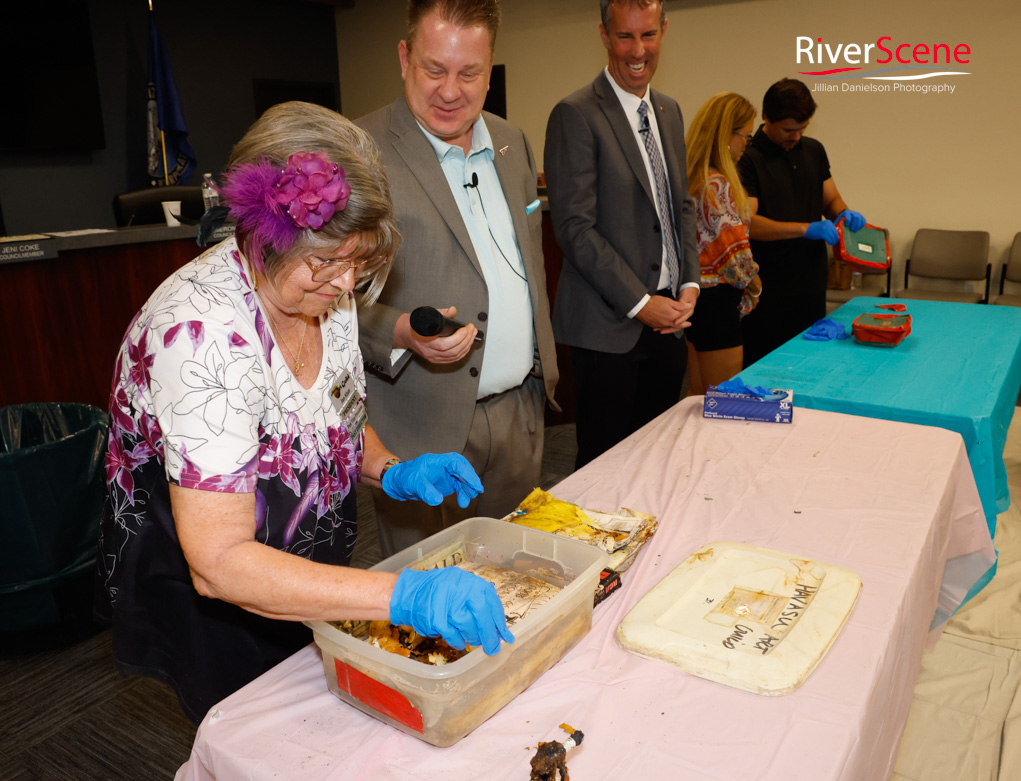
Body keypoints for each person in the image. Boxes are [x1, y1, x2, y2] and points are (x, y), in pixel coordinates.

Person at [95, 102, 514, 724]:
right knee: (257, 732)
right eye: (328, 261)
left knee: (319, 712)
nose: (347, 284)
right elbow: (221, 562)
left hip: (296, 550)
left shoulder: (324, 289)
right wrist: (402, 595)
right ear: (263, 237)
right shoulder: (201, 333)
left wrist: (389, 469)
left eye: (361, 262)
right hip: (215, 586)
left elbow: (329, 412)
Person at [355, 0, 558, 556]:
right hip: (421, 429)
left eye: (469, 73)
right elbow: (319, 302)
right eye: (434, 69)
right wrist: (399, 331)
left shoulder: (512, 143)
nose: (451, 91)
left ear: (490, 68)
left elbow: (529, 266)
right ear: (404, 58)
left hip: (521, 412)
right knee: (432, 603)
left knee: (521, 575)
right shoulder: (358, 152)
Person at [544, 0, 699, 470]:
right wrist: (640, 302)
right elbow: (574, 227)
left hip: (670, 321)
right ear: (605, 35)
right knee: (605, 468)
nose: (638, 50)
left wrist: (689, 282)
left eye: (648, 35)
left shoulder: (669, 111)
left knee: (656, 460)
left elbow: (681, 207)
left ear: (664, 31)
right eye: (625, 37)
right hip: (609, 327)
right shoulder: (575, 114)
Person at [737, 77, 866, 366]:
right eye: (789, 129)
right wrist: (804, 229)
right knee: (767, 365)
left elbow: (830, 200)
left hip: (810, 280)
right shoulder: (749, 157)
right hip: (768, 285)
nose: (796, 136)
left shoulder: (813, 150)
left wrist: (843, 214)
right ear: (767, 117)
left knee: (809, 362)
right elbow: (749, 224)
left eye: (802, 129)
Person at [684, 92, 763, 395]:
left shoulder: (692, 178)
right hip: (718, 302)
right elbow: (733, 253)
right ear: (726, 135)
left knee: (697, 395)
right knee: (723, 399)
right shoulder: (717, 183)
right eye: (746, 136)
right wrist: (754, 284)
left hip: (695, 298)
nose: (747, 144)